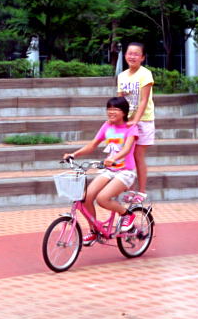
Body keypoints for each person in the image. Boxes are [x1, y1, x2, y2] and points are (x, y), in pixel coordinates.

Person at [62, 96, 139, 246]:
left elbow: (126, 149)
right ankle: (94, 231)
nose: (111, 112)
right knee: (86, 198)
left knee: (102, 199)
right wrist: (74, 154)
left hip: (125, 171)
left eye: (115, 109)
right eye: (109, 109)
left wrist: (114, 158)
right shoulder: (107, 125)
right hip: (109, 170)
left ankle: (127, 215)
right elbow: (92, 145)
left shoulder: (131, 127)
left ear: (124, 112)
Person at [116, 42, 154, 199]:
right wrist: (119, 120)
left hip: (143, 120)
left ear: (142, 57)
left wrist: (136, 120)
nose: (132, 56)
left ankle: (142, 191)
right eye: (129, 53)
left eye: (136, 54)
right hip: (127, 121)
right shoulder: (122, 76)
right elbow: (119, 100)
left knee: (138, 156)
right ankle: (130, 190)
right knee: (128, 156)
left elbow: (144, 100)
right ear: (125, 55)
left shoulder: (145, 74)